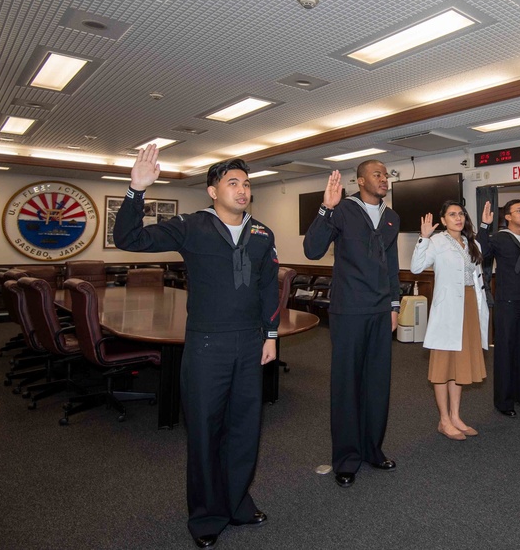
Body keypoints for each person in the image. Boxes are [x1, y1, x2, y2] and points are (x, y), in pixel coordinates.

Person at [114, 144, 279, 549]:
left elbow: (268, 288)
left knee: (244, 429)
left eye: (247, 184)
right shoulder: (191, 225)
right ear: (212, 190)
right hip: (207, 344)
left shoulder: (261, 233)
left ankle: (238, 502)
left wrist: (270, 335)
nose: (243, 191)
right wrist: (137, 191)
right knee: (205, 429)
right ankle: (206, 515)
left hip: (250, 343)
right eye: (233, 183)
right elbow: (129, 238)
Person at [303, 160, 400, 488]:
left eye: (386, 175)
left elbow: (392, 266)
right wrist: (325, 209)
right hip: (349, 312)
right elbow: (313, 250)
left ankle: (372, 449)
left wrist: (394, 305)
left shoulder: (391, 217)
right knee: (347, 386)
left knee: (377, 384)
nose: (384, 179)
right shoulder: (343, 210)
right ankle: (346, 459)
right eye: (377, 174)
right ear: (360, 181)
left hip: (379, 312)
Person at [410, 201, 489, 440]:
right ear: (443, 220)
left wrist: (484, 225)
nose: (458, 218)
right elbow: (415, 268)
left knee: (460, 366)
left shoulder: (471, 243)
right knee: (443, 367)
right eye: (452, 215)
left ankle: (456, 416)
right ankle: (444, 420)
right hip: (448, 310)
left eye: (461, 214)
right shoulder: (436, 241)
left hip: (469, 306)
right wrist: (423, 238)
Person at [477, 199, 520, 417]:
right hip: (507, 304)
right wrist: (484, 226)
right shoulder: (499, 238)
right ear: (508, 216)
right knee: (505, 352)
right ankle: (504, 402)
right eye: (519, 211)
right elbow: (480, 253)